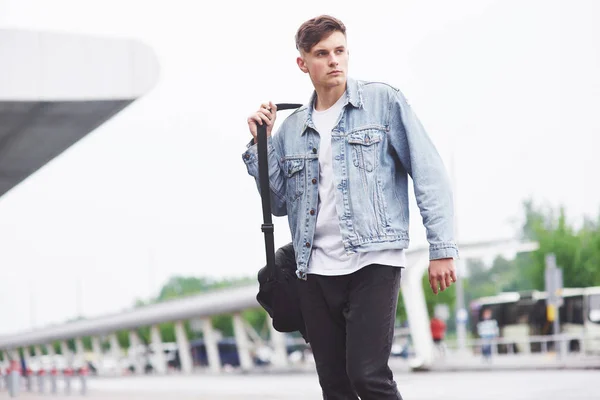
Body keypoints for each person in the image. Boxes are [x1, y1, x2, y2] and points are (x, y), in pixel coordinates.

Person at [242, 15, 458, 400]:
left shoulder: (382, 102)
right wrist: (261, 145)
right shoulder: (291, 128)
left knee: (367, 375)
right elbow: (277, 205)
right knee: (335, 385)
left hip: (373, 259)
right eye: (322, 54)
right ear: (303, 63)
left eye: (340, 51)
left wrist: (441, 248)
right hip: (314, 269)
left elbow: (429, 173)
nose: (334, 61)